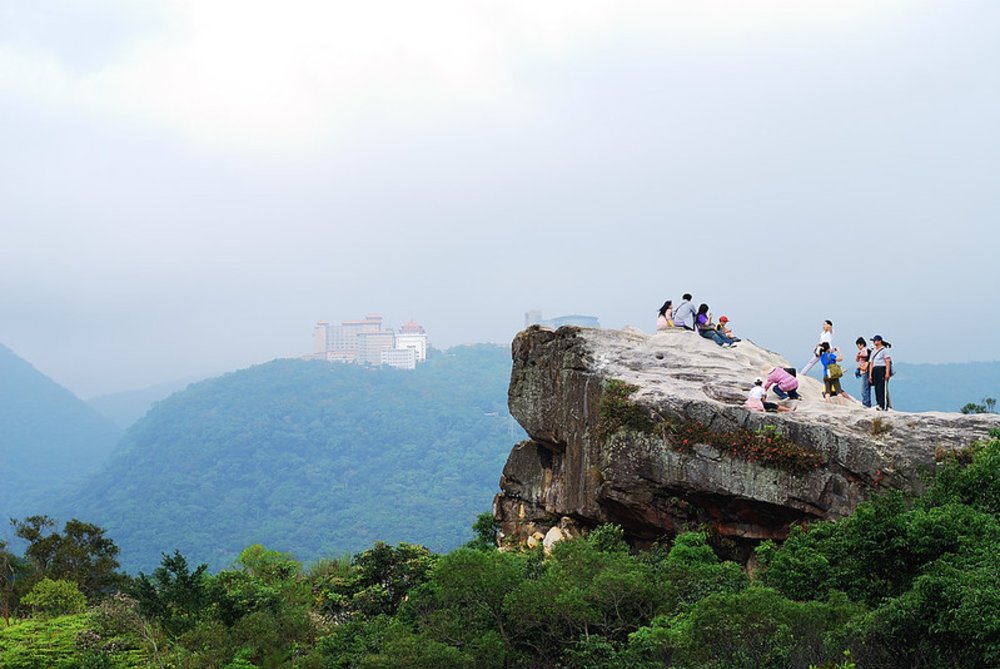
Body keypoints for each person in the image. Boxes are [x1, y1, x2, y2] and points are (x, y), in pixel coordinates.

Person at [869, 335, 893, 410]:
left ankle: (883, 405)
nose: (874, 342)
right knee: (876, 387)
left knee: (881, 387)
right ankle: (878, 403)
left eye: (875, 340)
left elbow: (887, 361)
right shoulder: (873, 351)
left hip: (881, 369)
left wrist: (887, 372)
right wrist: (870, 375)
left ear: (879, 341)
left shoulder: (884, 350)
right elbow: (871, 363)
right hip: (875, 369)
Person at [855, 337, 872, 408]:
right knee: (865, 388)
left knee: (864, 389)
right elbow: (857, 360)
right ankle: (866, 402)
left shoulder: (865, 349)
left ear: (861, 344)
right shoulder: (861, 351)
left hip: (865, 371)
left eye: (858, 345)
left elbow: (866, 355)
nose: (858, 347)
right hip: (863, 371)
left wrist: (859, 355)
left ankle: (866, 403)